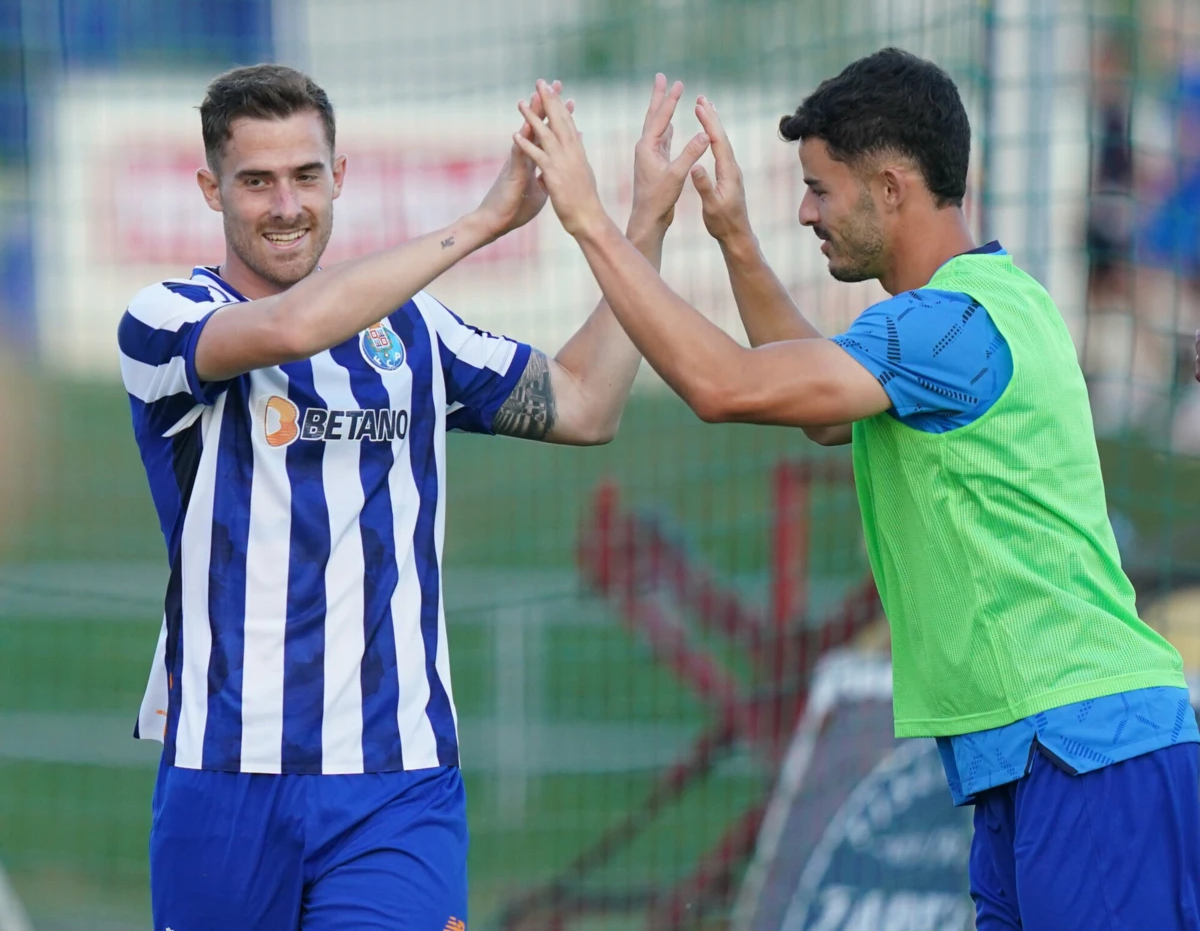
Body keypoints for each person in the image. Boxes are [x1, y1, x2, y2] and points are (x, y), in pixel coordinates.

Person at [515, 51, 1200, 930]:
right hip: (1044, 752)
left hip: (1089, 751)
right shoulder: (983, 306)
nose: (806, 212)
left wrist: (590, 223)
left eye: (819, 190)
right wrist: (735, 241)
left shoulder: (949, 326)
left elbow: (727, 386)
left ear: (888, 187)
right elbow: (822, 412)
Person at [118, 63, 708, 931]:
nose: (287, 205)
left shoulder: (413, 328)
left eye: (306, 176)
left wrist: (644, 227)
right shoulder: (165, 318)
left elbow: (587, 404)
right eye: (257, 182)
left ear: (340, 177)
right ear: (212, 191)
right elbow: (291, 327)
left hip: (396, 782)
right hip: (226, 772)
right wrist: (484, 222)